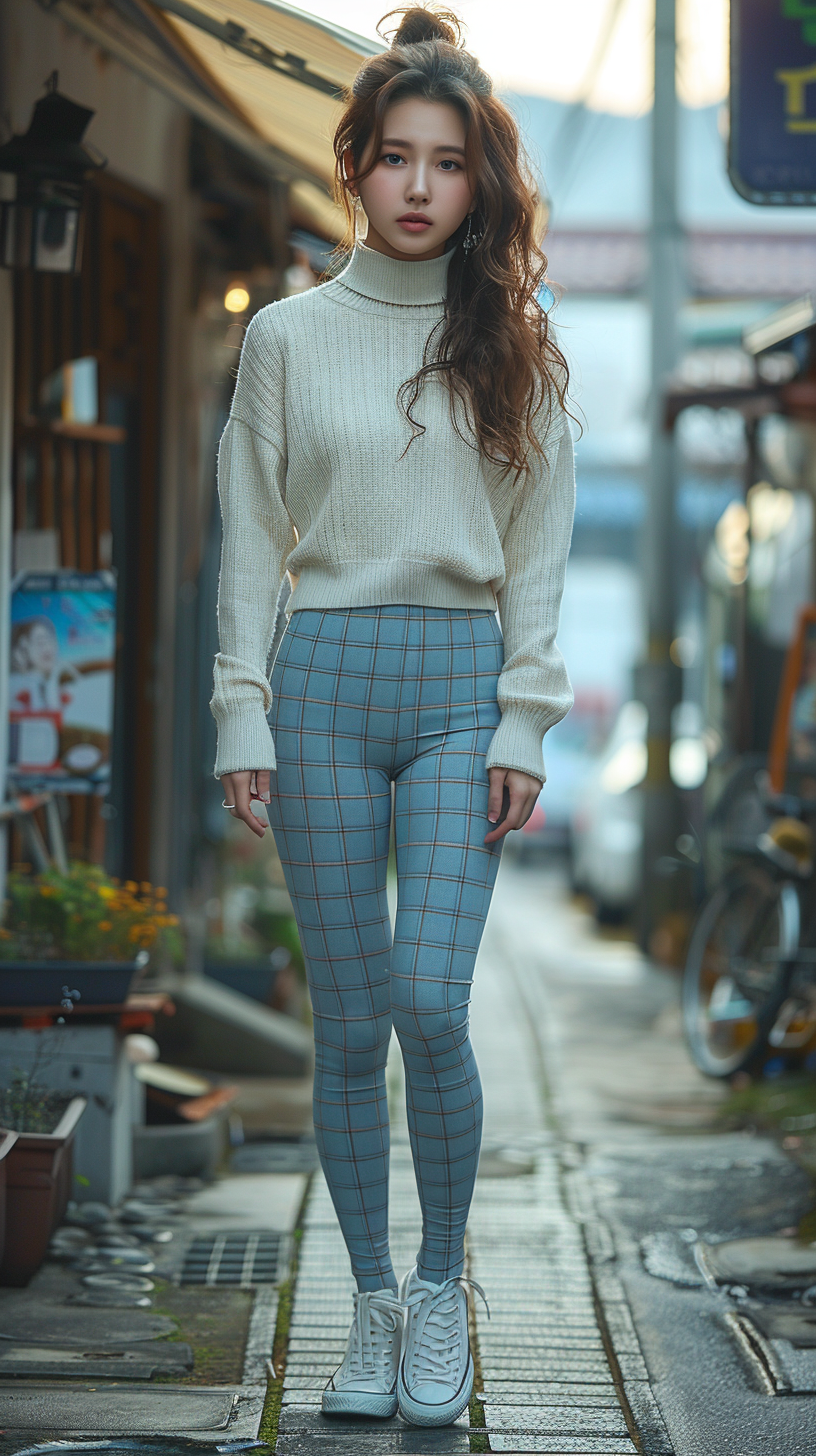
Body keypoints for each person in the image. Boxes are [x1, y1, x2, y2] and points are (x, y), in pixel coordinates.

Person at [211, 4, 575, 1429]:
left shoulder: (518, 345)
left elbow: (539, 549)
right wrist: (243, 710)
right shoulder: (288, 340)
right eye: (398, 158)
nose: (423, 186)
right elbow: (249, 538)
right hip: (319, 686)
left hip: (456, 688)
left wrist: (525, 720)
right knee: (348, 1020)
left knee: (431, 1000)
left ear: (480, 180)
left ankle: (440, 1291)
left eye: (451, 162)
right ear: (355, 167)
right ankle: (365, 1308)